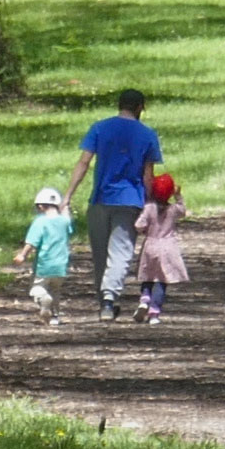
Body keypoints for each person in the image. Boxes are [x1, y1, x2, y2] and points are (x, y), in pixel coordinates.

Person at [69, 88, 166, 320]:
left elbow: (83, 163)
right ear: (140, 107)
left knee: (100, 253)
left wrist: (68, 195)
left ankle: (104, 302)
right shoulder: (147, 134)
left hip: (100, 198)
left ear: (119, 105)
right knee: (121, 251)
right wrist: (151, 204)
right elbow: (147, 176)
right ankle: (109, 298)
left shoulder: (100, 128)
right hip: (130, 200)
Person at [133, 171, 191, 324]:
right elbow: (183, 210)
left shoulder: (149, 207)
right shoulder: (173, 210)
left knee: (148, 275)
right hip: (168, 247)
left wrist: (144, 230)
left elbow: (139, 225)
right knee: (162, 280)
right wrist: (178, 196)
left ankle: (144, 298)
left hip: (150, 245)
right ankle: (154, 313)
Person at [14, 185, 73, 315]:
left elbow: (31, 242)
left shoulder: (40, 222)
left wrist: (22, 255)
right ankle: (55, 317)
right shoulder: (64, 221)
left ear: (40, 206)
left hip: (44, 265)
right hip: (61, 266)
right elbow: (68, 222)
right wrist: (66, 207)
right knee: (55, 291)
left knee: (37, 288)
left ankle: (43, 299)